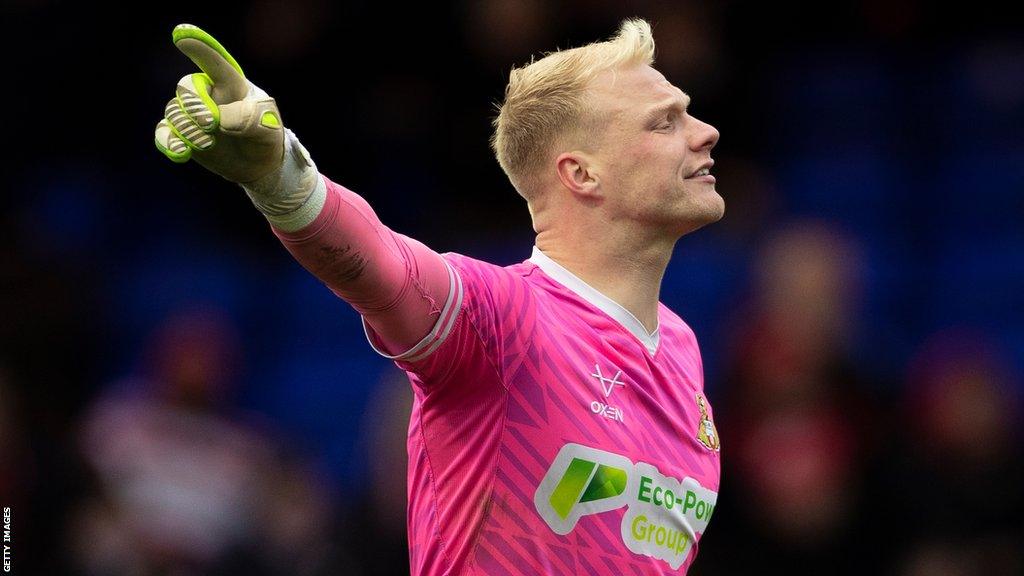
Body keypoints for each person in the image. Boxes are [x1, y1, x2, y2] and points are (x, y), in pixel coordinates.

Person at [155, 18, 722, 574]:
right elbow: (381, 266)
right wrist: (278, 175)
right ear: (581, 174)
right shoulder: (503, 318)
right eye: (664, 123)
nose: (704, 132)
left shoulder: (679, 347)